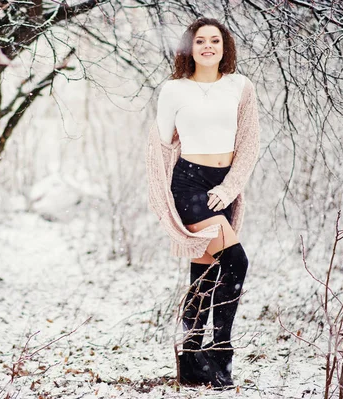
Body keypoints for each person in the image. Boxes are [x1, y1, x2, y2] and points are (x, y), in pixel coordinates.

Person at [146, 17, 260, 388]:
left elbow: (249, 143)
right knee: (236, 261)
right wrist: (163, 200)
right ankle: (221, 353)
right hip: (189, 184)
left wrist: (229, 188)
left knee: (206, 272)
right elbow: (161, 149)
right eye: (200, 41)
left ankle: (192, 359)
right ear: (189, 48)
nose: (208, 46)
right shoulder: (174, 90)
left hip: (222, 185)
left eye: (215, 40)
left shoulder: (240, 87)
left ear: (225, 46)